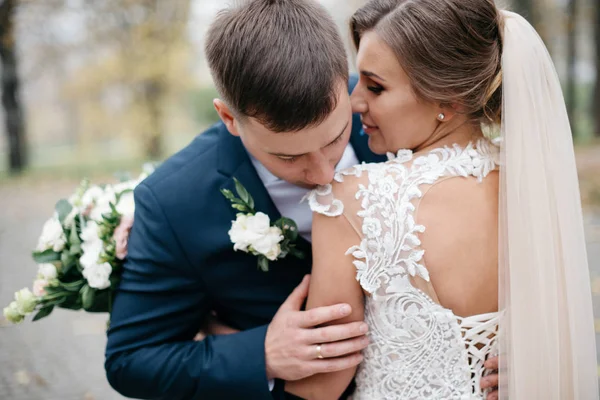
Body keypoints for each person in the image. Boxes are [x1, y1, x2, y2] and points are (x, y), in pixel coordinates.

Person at [286, 0, 599, 399]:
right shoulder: (534, 185)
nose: (354, 100)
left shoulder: (353, 200)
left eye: (375, 86)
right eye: (357, 81)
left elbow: (320, 386)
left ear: (447, 100)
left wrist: (258, 352)